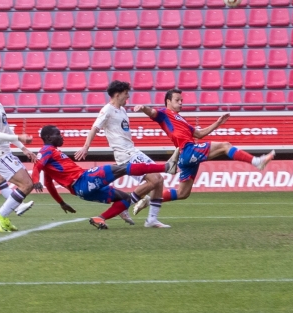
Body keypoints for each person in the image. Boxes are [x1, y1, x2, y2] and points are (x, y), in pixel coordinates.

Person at [134, 89, 275, 226]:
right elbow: (152, 113)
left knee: (183, 193)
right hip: (188, 150)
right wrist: (143, 108)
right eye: (177, 100)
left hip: (185, 156)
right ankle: (257, 162)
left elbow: (199, 134)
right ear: (168, 101)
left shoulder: (181, 119)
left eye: (182, 100)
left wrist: (218, 123)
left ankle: (150, 199)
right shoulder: (164, 113)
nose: (181, 103)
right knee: (225, 145)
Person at [33, 126, 179, 230]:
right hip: (84, 179)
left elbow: (48, 182)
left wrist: (61, 203)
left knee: (125, 199)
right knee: (123, 168)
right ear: (48, 137)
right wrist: (35, 181)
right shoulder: (47, 150)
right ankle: (166, 167)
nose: (61, 136)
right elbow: (36, 166)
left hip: (81, 192)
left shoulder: (50, 159)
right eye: (58, 134)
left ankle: (100, 218)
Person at [75, 80, 177, 228]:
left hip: (132, 151)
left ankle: (152, 220)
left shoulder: (122, 110)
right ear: (117, 95)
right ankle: (124, 207)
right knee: (155, 180)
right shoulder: (107, 110)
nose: (128, 97)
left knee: (159, 180)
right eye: (125, 94)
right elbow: (94, 128)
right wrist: (86, 147)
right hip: (125, 154)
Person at [0, 74, 37, 233]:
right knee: (26, 184)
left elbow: (6, 129)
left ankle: (1, 216)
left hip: (6, 152)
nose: (0, 90)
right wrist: (19, 137)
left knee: (26, 184)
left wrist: (23, 147)